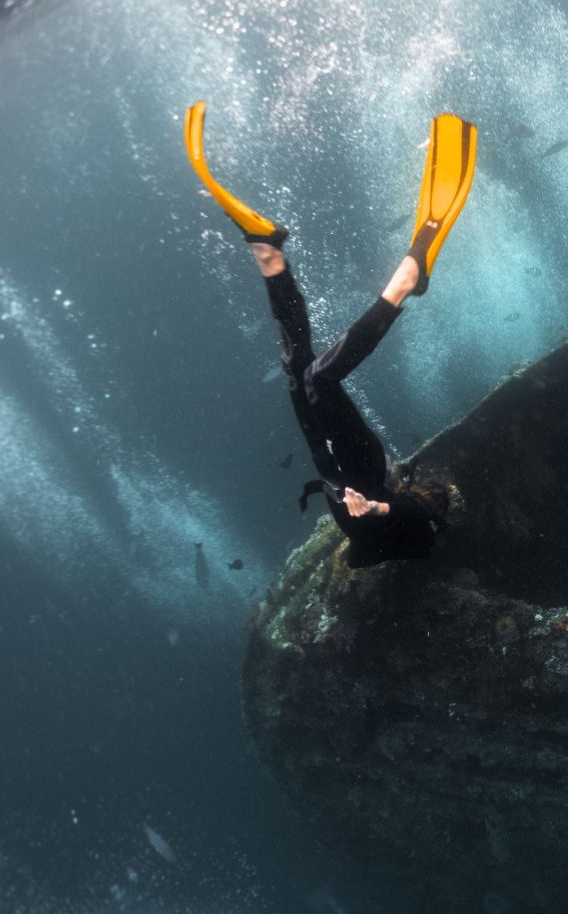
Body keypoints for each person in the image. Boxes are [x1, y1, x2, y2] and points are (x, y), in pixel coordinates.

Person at [183, 101, 476, 567]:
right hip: (360, 465)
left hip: (330, 461)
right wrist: (376, 509)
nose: (426, 500)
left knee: (297, 370)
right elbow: (407, 515)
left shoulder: (384, 544)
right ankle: (404, 282)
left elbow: (356, 557)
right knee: (320, 379)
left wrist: (367, 523)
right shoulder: (415, 533)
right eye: (432, 502)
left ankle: (271, 258)